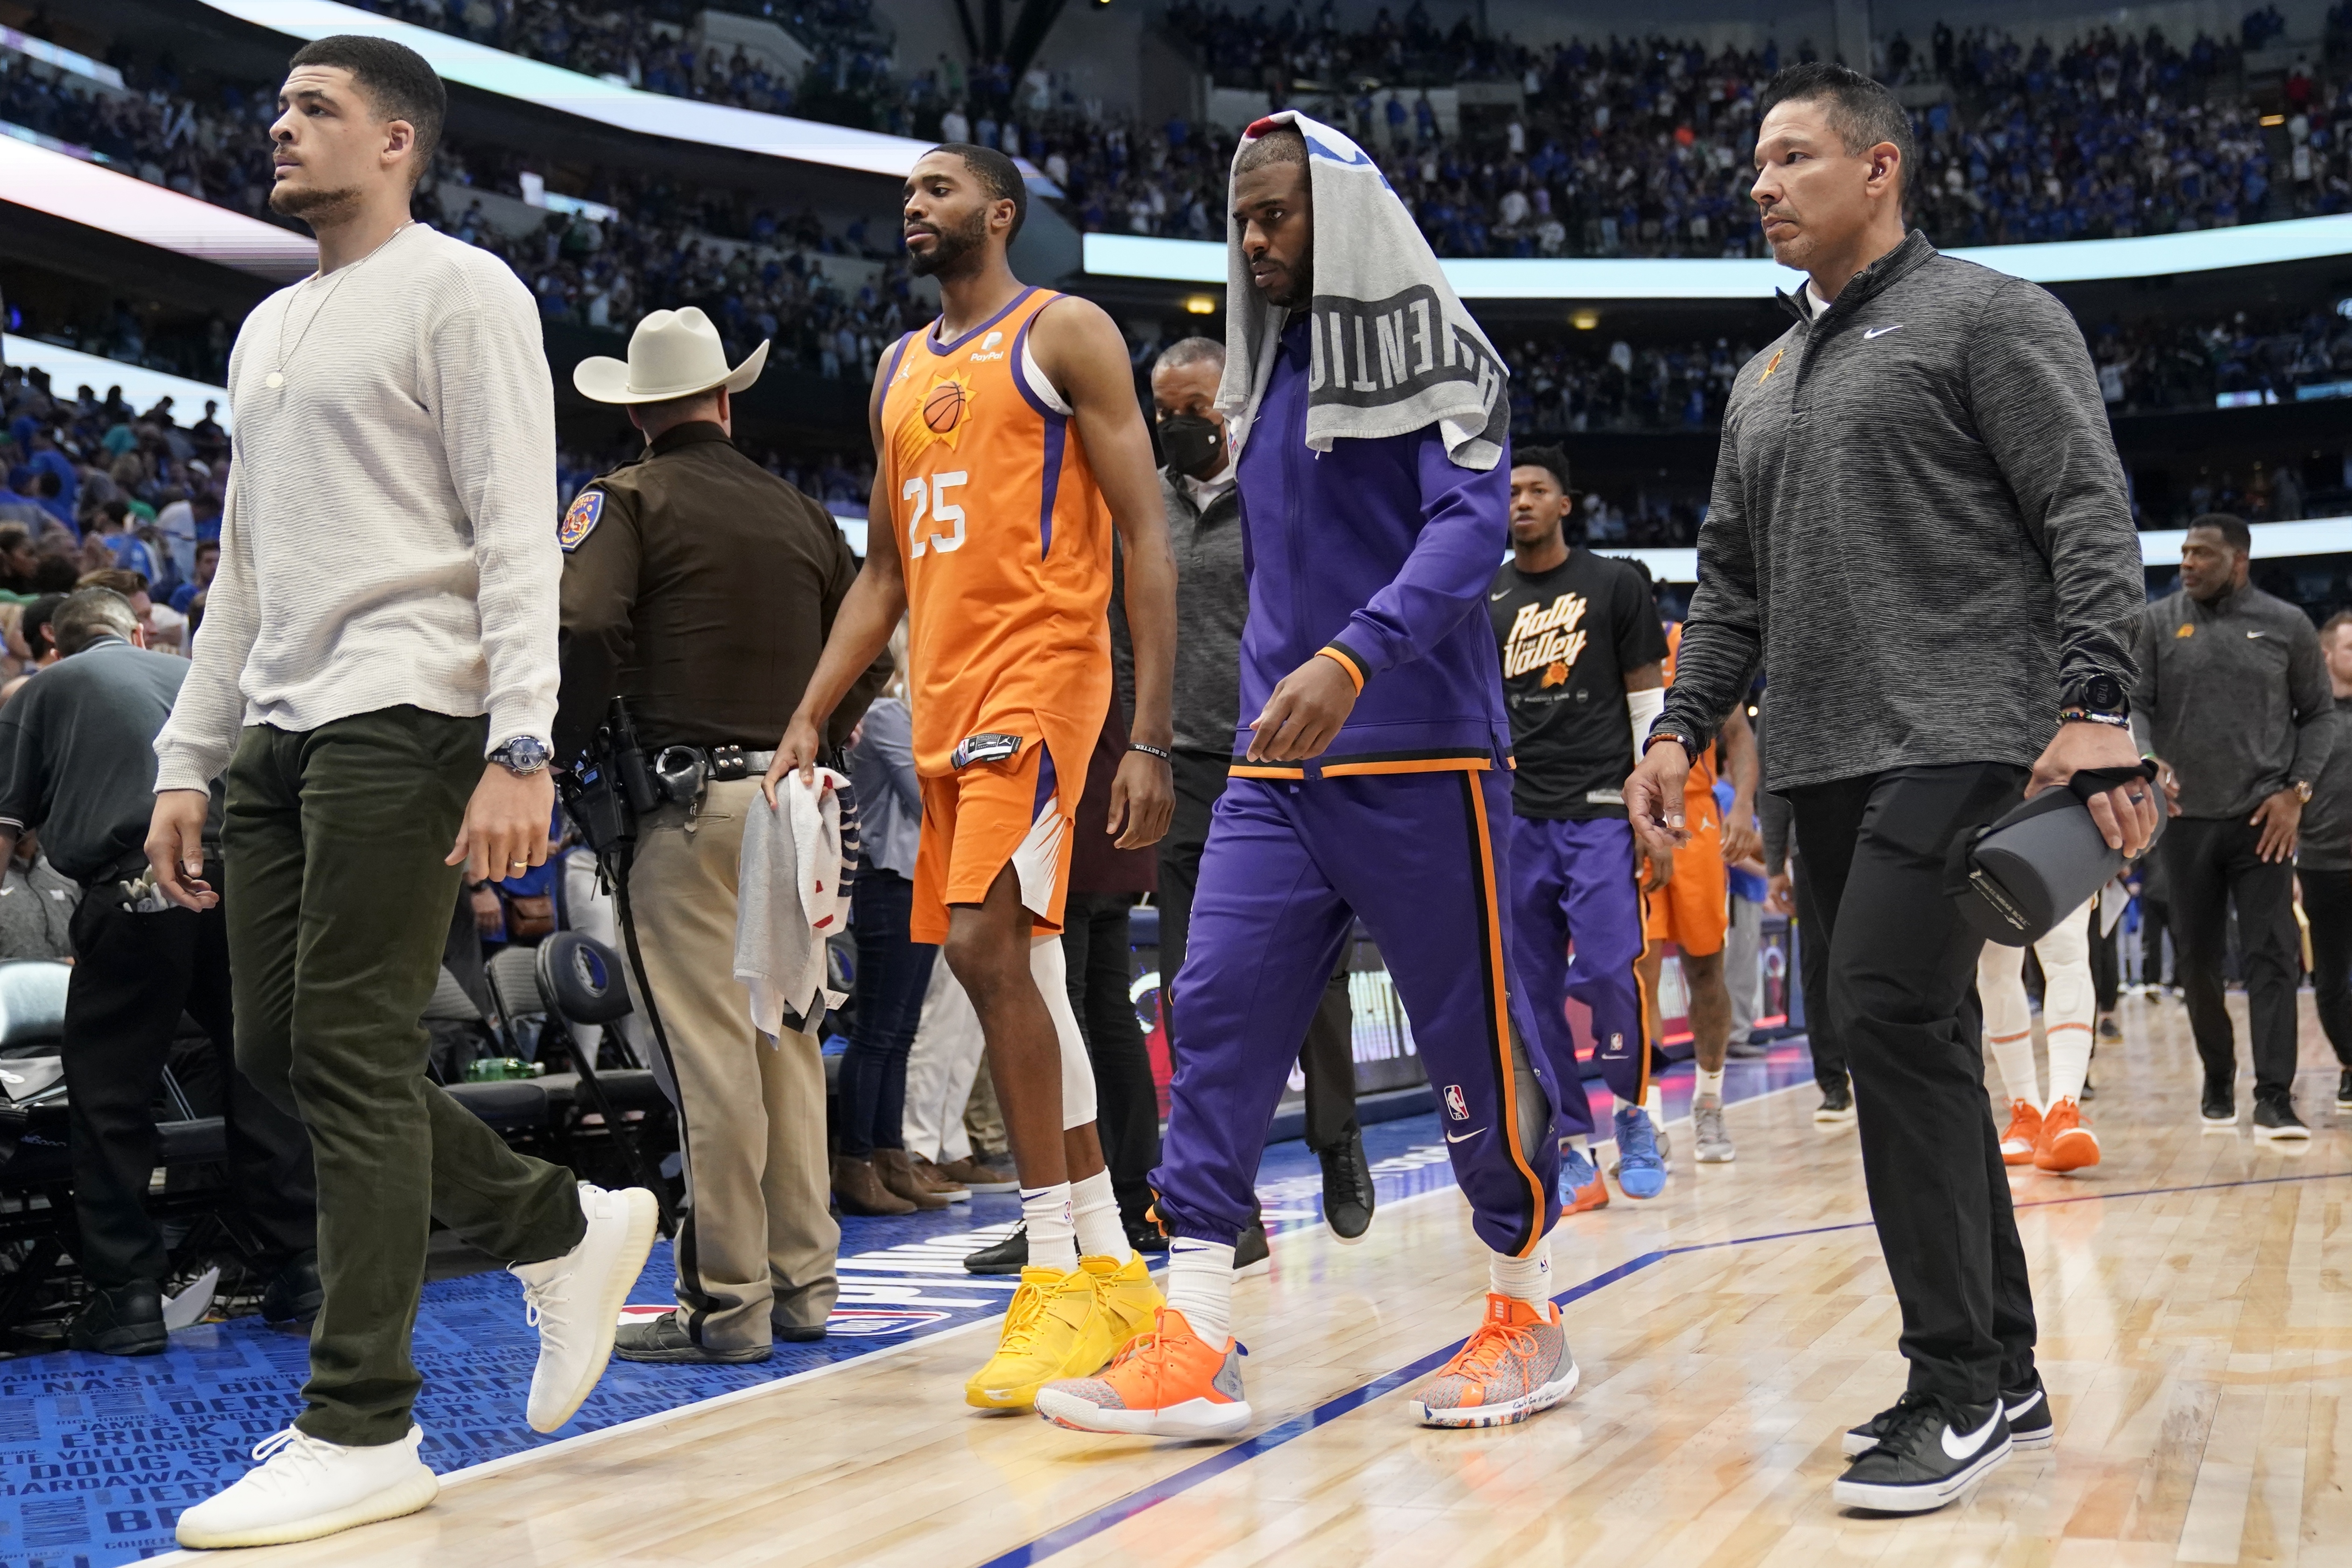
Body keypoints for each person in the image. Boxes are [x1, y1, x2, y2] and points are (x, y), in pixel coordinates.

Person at [146, 38, 657, 1549]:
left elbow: (516, 529)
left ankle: (362, 1418)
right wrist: (189, 753)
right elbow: (243, 568)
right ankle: (563, 1224)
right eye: (278, 104)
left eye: (314, 108)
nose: (280, 125)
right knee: (278, 1047)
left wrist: (520, 741)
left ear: (396, 141)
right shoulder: (263, 330)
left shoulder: (464, 289)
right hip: (279, 729)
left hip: (414, 705)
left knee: (348, 1052)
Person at [1625, 63, 2151, 1512]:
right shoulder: (1761, 378)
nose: (1759, 184)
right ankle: (2009, 1362)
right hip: (1821, 758)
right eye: (1751, 165)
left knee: (1887, 1015)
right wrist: (1676, 725)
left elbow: (2083, 507)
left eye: (1790, 157)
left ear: (1876, 172)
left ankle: (1951, 1381)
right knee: (1903, 1042)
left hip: (1968, 730)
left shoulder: (1987, 314)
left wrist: (2098, 704)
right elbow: (1727, 585)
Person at [1038, 113, 1566, 1440]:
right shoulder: (1262, 379)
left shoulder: (1447, 354)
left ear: (1344, 213)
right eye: (1243, 220)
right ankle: (1200, 1329)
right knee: (1210, 1013)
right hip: (1279, 774)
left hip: (1422, 754)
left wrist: (1353, 655)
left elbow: (1462, 536)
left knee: (1469, 1040)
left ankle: (1525, 1305)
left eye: (1276, 214)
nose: (1254, 240)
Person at [763, 141, 1178, 1412]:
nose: (913, 204)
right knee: (1027, 970)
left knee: (989, 953)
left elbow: (1148, 535)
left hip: (1041, 679)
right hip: (937, 696)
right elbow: (882, 573)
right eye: (906, 191)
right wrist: (811, 708)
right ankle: (1110, 1263)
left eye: (938, 189)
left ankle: (1050, 1273)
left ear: (998, 215)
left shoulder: (1065, 334)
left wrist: (1150, 733)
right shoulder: (895, 367)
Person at [556, 304, 892, 1363]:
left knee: (710, 1060)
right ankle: (804, 1282)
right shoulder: (797, 510)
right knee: (785, 1045)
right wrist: (813, 732)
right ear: (725, 398)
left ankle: (726, 1300)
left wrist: (562, 753)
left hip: (687, 805)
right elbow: (870, 645)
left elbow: (579, 622)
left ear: (639, 409)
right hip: (792, 807)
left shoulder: (628, 497)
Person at [0, 587, 318, 1353]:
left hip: (141, 882)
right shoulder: (190, 675)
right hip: (246, 881)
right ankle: (303, 1269)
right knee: (260, 1075)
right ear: (140, 633)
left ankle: (127, 1294)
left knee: (112, 1092)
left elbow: (5, 828)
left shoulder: (41, 691)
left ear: (51, 645)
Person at [1149, 334, 1370, 1252]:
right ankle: (1222, 1200)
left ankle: (1334, 1132)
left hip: (1283, 756)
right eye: (1163, 408)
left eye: (1194, 406)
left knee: (1308, 976)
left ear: (1232, 407)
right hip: (1181, 761)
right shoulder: (1145, 508)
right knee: (1187, 985)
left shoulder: (1282, 495)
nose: (1176, 423)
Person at [1486, 444, 1667, 1208]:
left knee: (1607, 970)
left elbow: (1645, 705)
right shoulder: (1482, 597)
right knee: (1530, 992)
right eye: (1510, 491)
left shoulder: (1614, 583)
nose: (1521, 501)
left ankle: (1634, 1111)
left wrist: (1654, 803)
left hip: (1598, 807)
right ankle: (1570, 1143)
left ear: (1565, 503)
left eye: (1536, 489)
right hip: (1517, 816)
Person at [2132, 515, 2330, 1141]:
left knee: (2272, 956)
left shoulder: (2286, 623)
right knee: (2196, 960)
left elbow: (2319, 714)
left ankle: (2274, 1095)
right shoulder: (2157, 622)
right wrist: (2146, 760)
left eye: (2201, 553)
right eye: (2184, 550)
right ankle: (2218, 1075)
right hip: (2186, 820)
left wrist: (2295, 792)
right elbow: (2135, 703)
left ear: (2238, 560)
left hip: (2261, 819)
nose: (2187, 561)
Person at [1635, 614, 1760, 1167]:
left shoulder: (1688, 641)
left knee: (1706, 968)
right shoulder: (1601, 641)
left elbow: (1738, 736)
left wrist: (1744, 804)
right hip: (1633, 821)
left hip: (1698, 822)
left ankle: (1710, 1102)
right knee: (1638, 973)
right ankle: (1649, 1121)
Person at [838, 624, 948, 1216]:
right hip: (888, 882)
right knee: (878, 1032)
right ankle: (855, 1161)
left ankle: (890, 1157)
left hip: (917, 881)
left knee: (900, 1033)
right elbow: (924, 795)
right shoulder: (884, 716)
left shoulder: (905, 718)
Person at [1979, 897, 2103, 1172]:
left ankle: (2063, 1112)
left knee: (2067, 953)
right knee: (1995, 965)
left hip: (2069, 853)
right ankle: (2027, 1115)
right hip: (1979, 855)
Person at [2299, 609, 2352, 1116]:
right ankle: (2350, 1066)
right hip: (2320, 865)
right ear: (2327, 654)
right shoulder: (2306, 722)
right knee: (2332, 979)